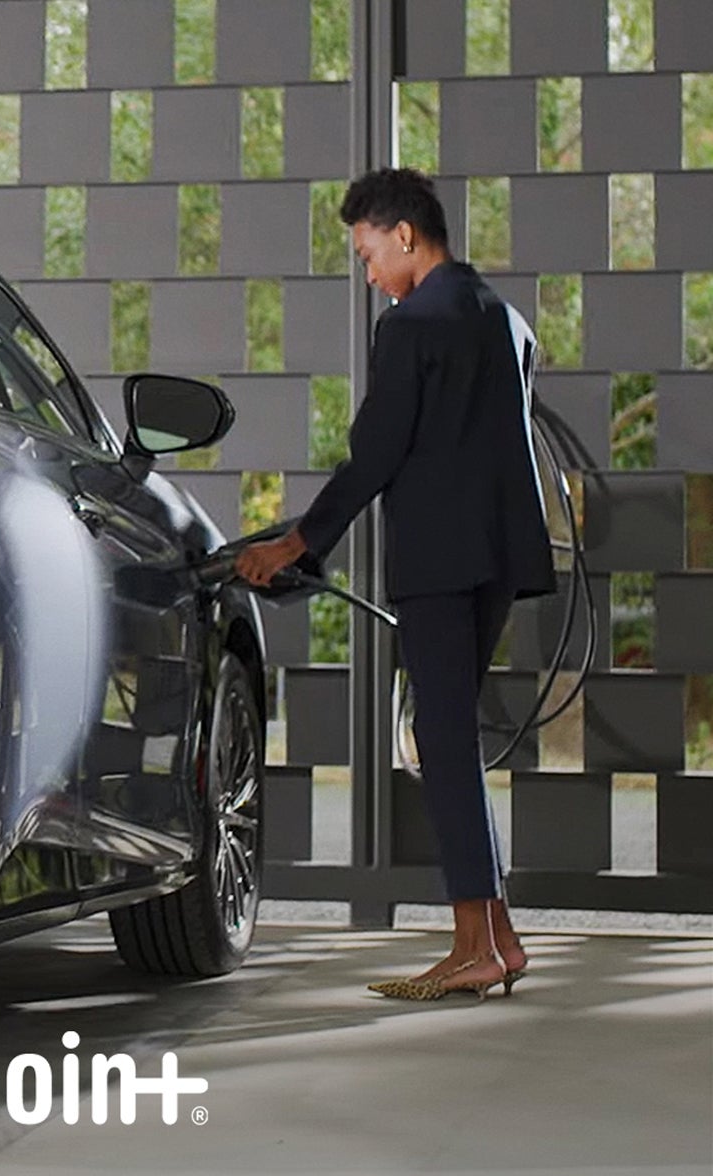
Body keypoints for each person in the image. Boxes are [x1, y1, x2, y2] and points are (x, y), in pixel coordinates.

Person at [235, 167, 556, 1001]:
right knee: (454, 739)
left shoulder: (412, 325)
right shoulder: (505, 318)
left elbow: (378, 453)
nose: (369, 273)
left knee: (443, 745)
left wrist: (298, 543)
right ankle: (502, 940)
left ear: (405, 235)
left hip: (440, 564)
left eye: (368, 252)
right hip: (498, 559)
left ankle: (471, 948)